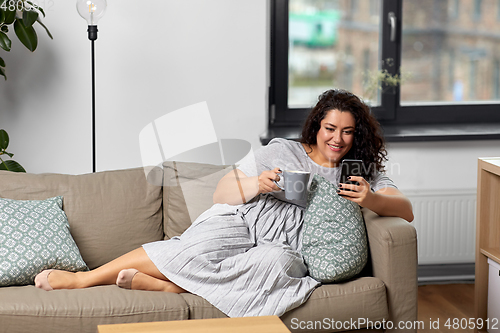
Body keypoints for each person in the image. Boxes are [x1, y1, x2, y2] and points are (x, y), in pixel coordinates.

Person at [34, 89, 413, 318]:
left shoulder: (358, 169)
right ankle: (84, 279)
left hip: (290, 242)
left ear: (356, 134)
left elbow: (406, 210)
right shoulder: (282, 150)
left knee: (273, 264)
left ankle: (176, 289)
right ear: (316, 126)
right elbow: (221, 193)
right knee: (196, 247)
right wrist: (256, 183)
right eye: (331, 129)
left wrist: (372, 198)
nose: (338, 139)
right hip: (247, 218)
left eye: (348, 131)